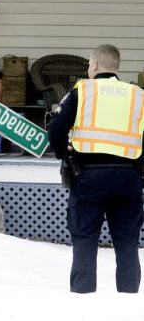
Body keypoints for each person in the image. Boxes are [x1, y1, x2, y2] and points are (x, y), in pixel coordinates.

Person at [47, 44, 144, 293]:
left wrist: (64, 155)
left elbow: (56, 130)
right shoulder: (137, 95)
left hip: (87, 177)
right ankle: (129, 304)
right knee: (127, 244)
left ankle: (83, 304)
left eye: (90, 64)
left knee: (84, 243)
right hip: (127, 178)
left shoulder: (82, 91)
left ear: (96, 65)